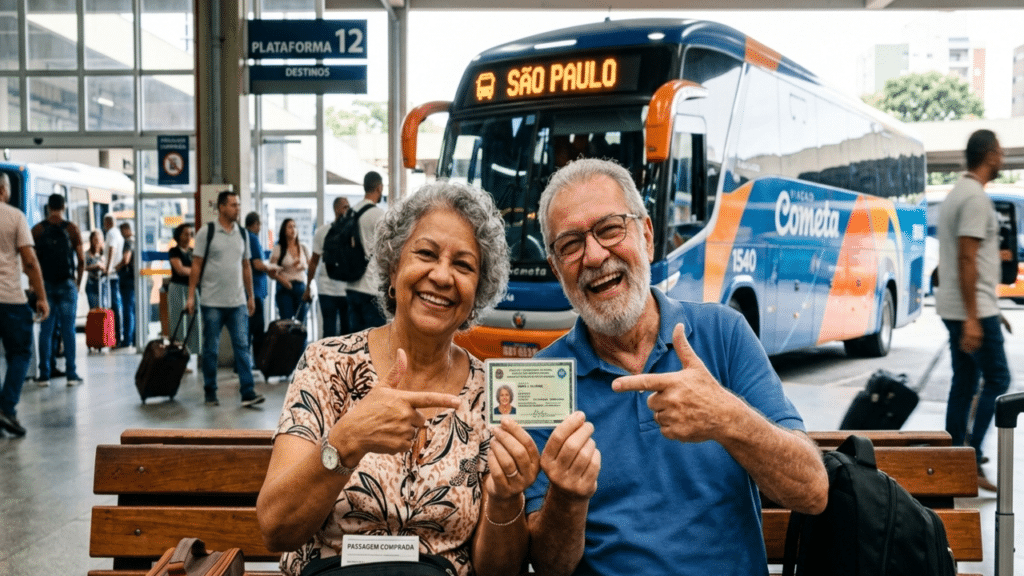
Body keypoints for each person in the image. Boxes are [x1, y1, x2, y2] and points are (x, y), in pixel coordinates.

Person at [525, 159, 828, 576]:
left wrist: (727, 417)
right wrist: (567, 498)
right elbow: (549, 566)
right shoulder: (543, 378)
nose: (594, 256)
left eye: (610, 229)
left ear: (647, 237)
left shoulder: (723, 333)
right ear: (557, 269)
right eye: (571, 244)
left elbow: (812, 491)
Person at [257, 181, 533, 576]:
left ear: (478, 292)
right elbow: (275, 530)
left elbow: (498, 572)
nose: (441, 276)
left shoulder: (492, 392)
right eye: (426, 253)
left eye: (463, 265)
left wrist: (506, 499)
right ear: (393, 265)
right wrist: (346, 442)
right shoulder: (326, 365)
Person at [936, 129, 1012, 493]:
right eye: (1000, 152)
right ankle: (971, 456)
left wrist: (991, 310)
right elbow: (966, 257)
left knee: (964, 383)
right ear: (990, 155)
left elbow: (968, 258)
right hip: (971, 310)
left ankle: (953, 464)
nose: (1004, 158)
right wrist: (974, 316)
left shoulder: (956, 195)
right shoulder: (975, 199)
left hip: (968, 307)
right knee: (999, 380)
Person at [186, 191, 264, 408]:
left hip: (237, 301)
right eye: (232, 205)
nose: (237, 209)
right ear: (221, 207)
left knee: (242, 346)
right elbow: (197, 265)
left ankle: (247, 391)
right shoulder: (206, 232)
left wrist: (250, 296)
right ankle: (210, 391)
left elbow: (246, 266)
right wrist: (191, 296)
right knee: (211, 349)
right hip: (212, 302)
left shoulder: (242, 233)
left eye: (238, 205)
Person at [0, 173, 49, 437]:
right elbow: (29, 261)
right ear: (3, 190)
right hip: (9, 299)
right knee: (19, 354)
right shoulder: (14, 216)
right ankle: (6, 408)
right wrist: (41, 296)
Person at [31, 193, 85, 387]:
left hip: (45, 285)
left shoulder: (37, 230)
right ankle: (71, 375)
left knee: (45, 330)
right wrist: (77, 283)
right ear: (63, 206)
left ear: (48, 207)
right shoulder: (71, 229)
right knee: (68, 330)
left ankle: (44, 375)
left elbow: (31, 262)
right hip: (66, 283)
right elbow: (81, 260)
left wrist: (34, 286)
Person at [345, 171, 387, 332]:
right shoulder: (379, 215)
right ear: (379, 187)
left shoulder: (351, 212)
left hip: (352, 284)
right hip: (371, 286)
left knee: (355, 340)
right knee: (374, 341)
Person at [304, 197, 350, 338]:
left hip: (348, 290)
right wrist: (308, 287)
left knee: (347, 333)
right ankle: (330, 360)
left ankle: (344, 360)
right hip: (327, 289)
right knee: (330, 331)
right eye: (345, 207)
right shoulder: (322, 232)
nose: (348, 210)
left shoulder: (353, 231)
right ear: (336, 209)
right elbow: (314, 262)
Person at [245, 212, 279, 362]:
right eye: (259, 224)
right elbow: (257, 264)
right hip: (255, 291)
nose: (260, 228)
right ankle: (258, 360)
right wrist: (272, 267)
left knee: (249, 328)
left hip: (251, 290)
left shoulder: (245, 237)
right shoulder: (252, 238)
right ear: (255, 224)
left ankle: (245, 361)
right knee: (257, 328)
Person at [167, 223, 201, 354]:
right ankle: (178, 356)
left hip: (192, 289)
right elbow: (179, 270)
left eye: (190, 234)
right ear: (179, 235)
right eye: (185, 234)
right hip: (177, 289)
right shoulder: (174, 251)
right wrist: (195, 271)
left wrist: (194, 271)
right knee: (178, 322)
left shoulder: (194, 252)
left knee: (194, 322)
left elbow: (200, 270)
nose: (188, 237)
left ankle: (193, 353)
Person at [270, 218, 309, 324]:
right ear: (284, 230)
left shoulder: (303, 247)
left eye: (295, 226)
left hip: (300, 287)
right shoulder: (279, 248)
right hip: (284, 288)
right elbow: (271, 271)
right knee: (287, 323)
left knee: (301, 324)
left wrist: (303, 265)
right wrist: (283, 281)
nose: (293, 229)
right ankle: (287, 341)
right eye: (290, 227)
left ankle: (302, 341)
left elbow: (310, 265)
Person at [102, 214, 124, 346]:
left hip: (113, 275)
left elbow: (112, 249)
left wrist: (108, 268)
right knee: (117, 304)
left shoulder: (111, 233)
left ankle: (117, 336)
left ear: (107, 222)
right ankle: (118, 335)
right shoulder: (118, 233)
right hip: (116, 273)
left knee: (115, 305)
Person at [114, 222, 135, 348]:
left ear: (126, 229)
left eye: (122, 231)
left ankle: (127, 340)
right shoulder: (136, 240)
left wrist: (115, 268)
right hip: (135, 280)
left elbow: (126, 259)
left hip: (127, 280)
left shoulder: (128, 242)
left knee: (127, 310)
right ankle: (134, 338)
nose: (121, 234)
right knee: (132, 310)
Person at [84, 230, 104, 310]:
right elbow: (84, 267)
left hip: (103, 284)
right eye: (95, 239)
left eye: (98, 239)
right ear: (91, 240)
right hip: (91, 284)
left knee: (103, 309)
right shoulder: (87, 254)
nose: (97, 242)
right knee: (93, 309)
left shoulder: (104, 253)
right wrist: (95, 266)